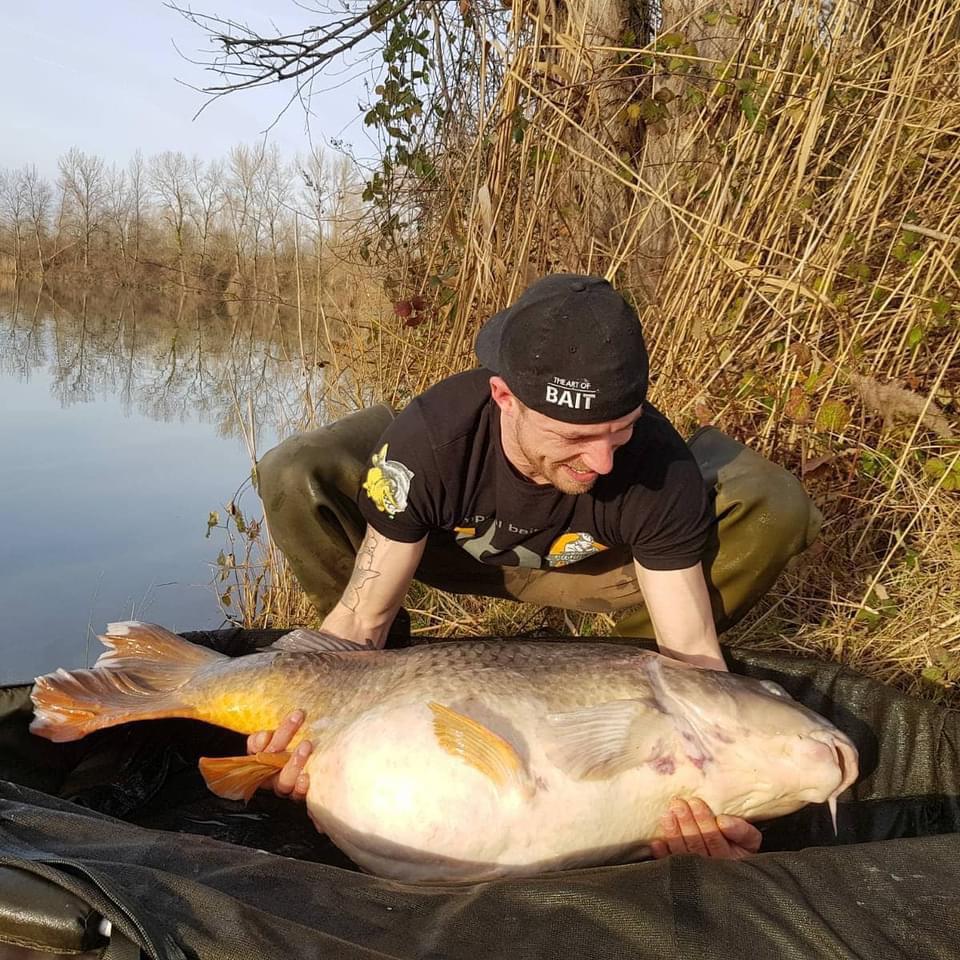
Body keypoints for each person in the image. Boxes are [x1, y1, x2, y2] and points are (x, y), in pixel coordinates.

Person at [247, 274, 821, 861]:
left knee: (770, 505)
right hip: (448, 552)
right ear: (504, 398)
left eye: (620, 430)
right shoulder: (432, 440)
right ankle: (392, 687)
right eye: (575, 436)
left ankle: (617, 718)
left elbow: (691, 656)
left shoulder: (658, 467)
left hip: (591, 567)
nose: (602, 461)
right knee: (295, 468)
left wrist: (713, 796)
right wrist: (320, 722)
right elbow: (360, 619)